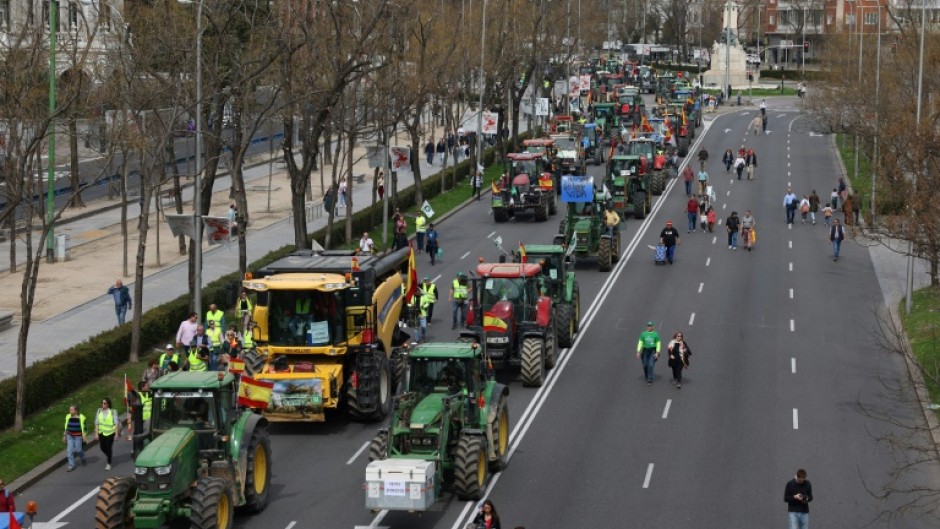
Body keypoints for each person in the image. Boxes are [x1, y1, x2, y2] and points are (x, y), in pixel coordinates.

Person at [95, 398, 121, 470]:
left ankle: (109, 463)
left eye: (104, 403)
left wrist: (116, 434)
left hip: (110, 433)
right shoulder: (99, 410)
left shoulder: (113, 412)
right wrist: (96, 433)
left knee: (109, 448)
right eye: (102, 403)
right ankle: (109, 455)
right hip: (101, 432)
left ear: (108, 404)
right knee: (102, 447)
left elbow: (116, 423)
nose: (102, 404)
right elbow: (96, 423)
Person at [63, 405, 88, 472]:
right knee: (69, 451)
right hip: (70, 436)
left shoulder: (82, 417)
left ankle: (83, 459)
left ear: (76, 410)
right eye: (69, 409)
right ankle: (71, 466)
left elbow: (85, 428)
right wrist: (64, 435)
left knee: (79, 450)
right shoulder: (68, 416)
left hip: (78, 436)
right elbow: (66, 427)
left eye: (71, 409)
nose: (70, 411)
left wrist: (84, 436)